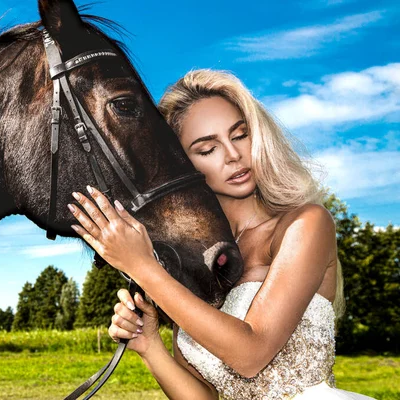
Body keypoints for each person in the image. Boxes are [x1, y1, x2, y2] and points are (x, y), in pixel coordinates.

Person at [66, 70, 375, 399]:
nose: (233, 154)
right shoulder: (190, 267)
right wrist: (150, 347)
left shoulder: (305, 224)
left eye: (240, 135)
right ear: (181, 165)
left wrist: (143, 267)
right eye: (207, 149)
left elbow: (251, 354)